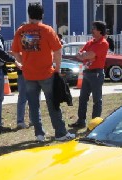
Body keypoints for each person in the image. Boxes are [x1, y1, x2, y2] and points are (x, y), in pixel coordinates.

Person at [11, 2, 72, 142]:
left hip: (29, 74)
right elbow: (57, 50)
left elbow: (15, 51)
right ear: (42, 14)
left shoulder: (21, 31)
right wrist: (57, 68)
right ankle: (60, 133)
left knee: (33, 105)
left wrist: (23, 63)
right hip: (46, 73)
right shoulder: (47, 30)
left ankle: (39, 134)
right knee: (53, 104)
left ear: (29, 14)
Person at [68, 21, 109, 129]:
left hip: (96, 74)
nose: (92, 30)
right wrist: (87, 56)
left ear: (100, 31)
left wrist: (86, 55)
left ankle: (95, 124)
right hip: (87, 73)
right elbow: (79, 54)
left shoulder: (103, 43)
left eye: (94, 28)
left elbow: (90, 54)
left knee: (97, 99)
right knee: (83, 98)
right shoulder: (90, 42)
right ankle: (81, 121)